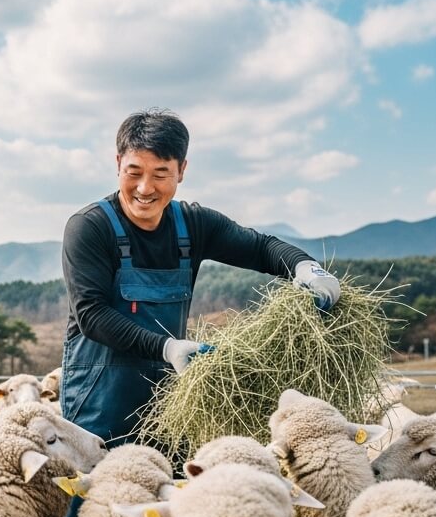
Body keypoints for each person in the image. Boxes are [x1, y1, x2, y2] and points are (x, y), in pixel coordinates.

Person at [60, 108, 341, 448]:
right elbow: (91, 313)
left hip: (168, 405)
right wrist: (167, 347)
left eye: (161, 174)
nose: (145, 188)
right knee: (95, 497)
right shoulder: (90, 227)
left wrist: (306, 268)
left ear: (182, 171)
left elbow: (262, 248)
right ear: (117, 162)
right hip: (98, 406)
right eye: (133, 172)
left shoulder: (192, 224)